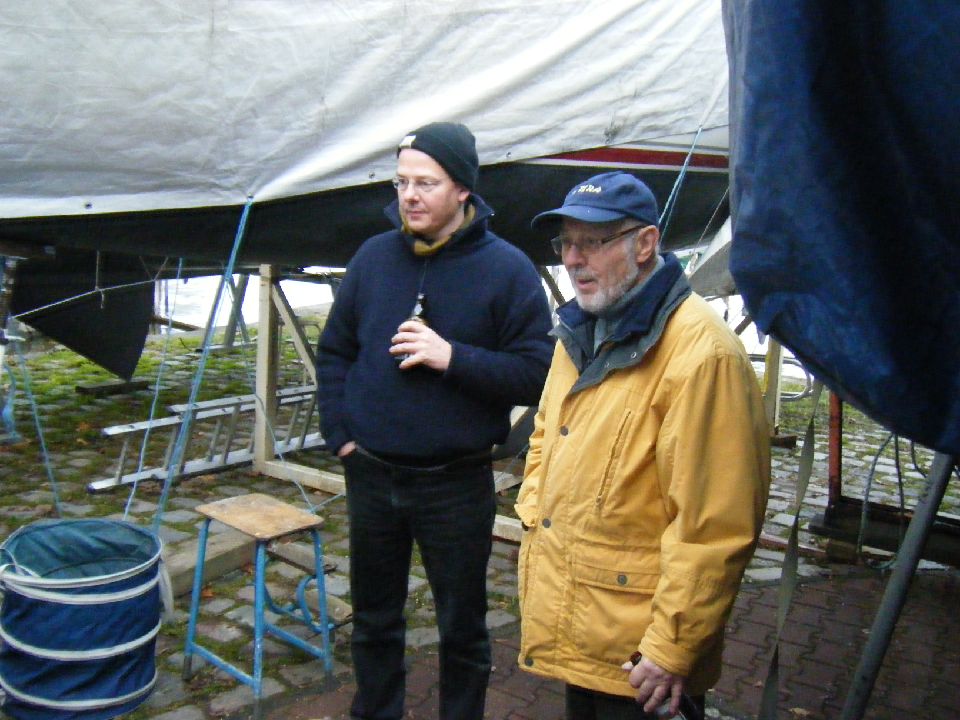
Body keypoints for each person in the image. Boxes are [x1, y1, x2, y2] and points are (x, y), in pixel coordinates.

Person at [316, 121, 554, 720]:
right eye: (401, 183)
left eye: (426, 183)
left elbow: (537, 373)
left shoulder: (508, 270)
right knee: (373, 619)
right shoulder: (374, 258)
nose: (410, 196)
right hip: (372, 473)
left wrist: (454, 358)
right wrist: (340, 435)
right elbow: (336, 350)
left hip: (455, 482)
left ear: (463, 189)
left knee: (462, 628)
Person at [515, 171, 770, 719]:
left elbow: (714, 526)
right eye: (566, 243)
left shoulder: (703, 356)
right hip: (583, 624)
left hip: (643, 656)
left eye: (593, 241)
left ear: (646, 244)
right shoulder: (580, 330)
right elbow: (545, 434)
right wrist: (535, 505)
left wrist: (672, 646)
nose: (574, 259)